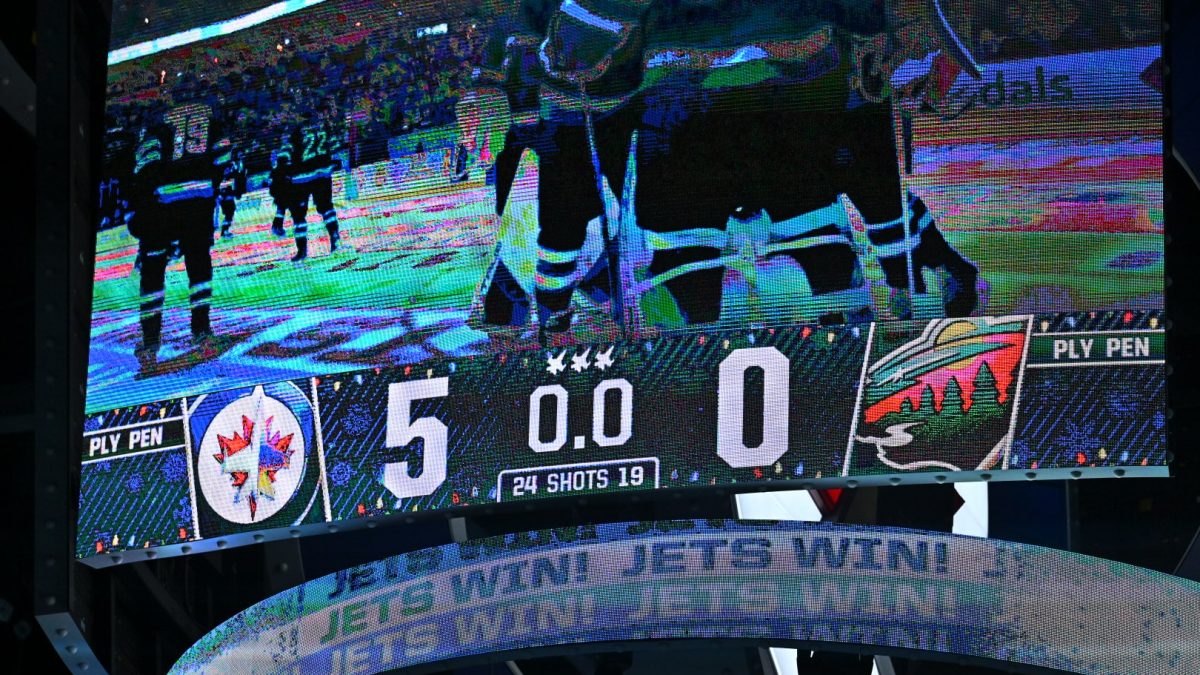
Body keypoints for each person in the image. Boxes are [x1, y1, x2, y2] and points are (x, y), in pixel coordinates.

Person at [126, 105, 230, 373]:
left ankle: (150, 343)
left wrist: (143, 210)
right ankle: (202, 332)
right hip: (198, 200)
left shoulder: (157, 121)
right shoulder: (211, 118)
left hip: (161, 204)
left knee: (152, 276)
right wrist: (209, 186)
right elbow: (224, 158)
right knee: (199, 269)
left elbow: (144, 168)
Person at [281, 103, 344, 261]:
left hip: (301, 177)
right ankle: (335, 241)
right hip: (322, 173)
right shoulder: (324, 126)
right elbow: (336, 145)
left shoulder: (293, 130)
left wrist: (283, 171)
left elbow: (284, 154)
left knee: (298, 215)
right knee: (327, 208)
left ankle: (302, 251)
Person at [215, 145, 247, 239]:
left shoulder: (237, 165)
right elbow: (225, 180)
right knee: (229, 213)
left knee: (230, 213)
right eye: (240, 154)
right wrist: (224, 193)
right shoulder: (229, 166)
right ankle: (224, 232)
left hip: (229, 194)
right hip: (226, 194)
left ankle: (225, 231)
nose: (242, 156)